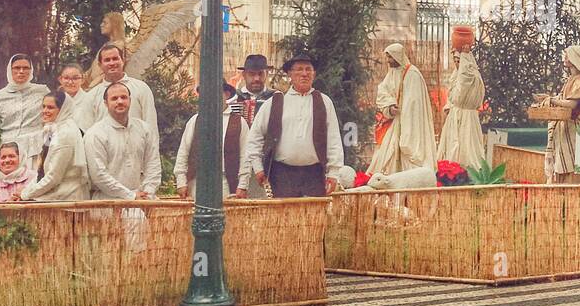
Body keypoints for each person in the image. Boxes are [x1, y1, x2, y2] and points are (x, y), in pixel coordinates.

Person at [245, 51, 343, 198]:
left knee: (314, 218)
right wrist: (259, 168)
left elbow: (333, 139)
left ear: (314, 74)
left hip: (314, 175)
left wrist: (333, 172)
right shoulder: (275, 103)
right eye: (299, 69)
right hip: (281, 175)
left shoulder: (324, 102)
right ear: (290, 74)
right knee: (283, 218)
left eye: (308, 69)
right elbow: (254, 137)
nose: (304, 74)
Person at [83, 81, 162, 200]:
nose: (120, 101)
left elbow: (153, 164)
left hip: (141, 200)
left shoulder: (144, 129)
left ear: (130, 100)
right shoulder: (95, 134)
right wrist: (130, 196)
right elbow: (99, 175)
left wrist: (148, 192)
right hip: (106, 202)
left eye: (124, 97)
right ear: (106, 103)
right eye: (114, 98)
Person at [366, 43, 436, 176]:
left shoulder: (412, 74)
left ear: (397, 57)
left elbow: (413, 104)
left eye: (390, 57)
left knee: (409, 156)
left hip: (410, 125)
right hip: (395, 122)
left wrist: (404, 126)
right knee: (386, 155)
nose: (388, 61)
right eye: (387, 57)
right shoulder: (392, 72)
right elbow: (383, 91)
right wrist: (390, 105)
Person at [175, 83, 254, 200]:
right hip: (197, 182)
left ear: (226, 95)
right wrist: (181, 181)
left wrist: (243, 185)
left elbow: (245, 157)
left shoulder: (239, 122)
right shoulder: (195, 120)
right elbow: (183, 152)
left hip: (226, 183)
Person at [542, 46, 580, 184]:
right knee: (563, 171)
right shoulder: (572, 79)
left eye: (568, 55)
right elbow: (565, 99)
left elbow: (573, 104)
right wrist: (547, 99)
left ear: (576, 59)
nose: (565, 58)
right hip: (566, 131)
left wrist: (553, 100)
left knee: (573, 173)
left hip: (576, 133)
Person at [23, 90, 89, 203]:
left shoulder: (65, 134)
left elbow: (54, 177)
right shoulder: (53, 129)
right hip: (54, 194)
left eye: (50, 107)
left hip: (67, 198)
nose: (45, 111)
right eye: (43, 107)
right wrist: (26, 191)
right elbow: (42, 171)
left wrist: (25, 195)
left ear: (63, 109)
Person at [74, 43, 158, 134]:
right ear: (100, 65)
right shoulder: (91, 96)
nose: (112, 63)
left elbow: (151, 126)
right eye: (107, 60)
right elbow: (87, 132)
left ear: (123, 60)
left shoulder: (141, 88)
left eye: (115, 59)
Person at [0, 54, 50, 165]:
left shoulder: (42, 91)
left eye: (25, 68)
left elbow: (51, 117)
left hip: (37, 147)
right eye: (16, 68)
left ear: (31, 70)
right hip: (8, 150)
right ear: (9, 70)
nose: (21, 71)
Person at [437, 48, 486, 169]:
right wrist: (449, 106)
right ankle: (450, 170)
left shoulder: (472, 77)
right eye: (455, 61)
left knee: (467, 145)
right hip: (454, 116)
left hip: (468, 117)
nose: (456, 64)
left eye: (459, 61)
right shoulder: (455, 75)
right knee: (452, 143)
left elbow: (463, 90)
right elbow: (453, 95)